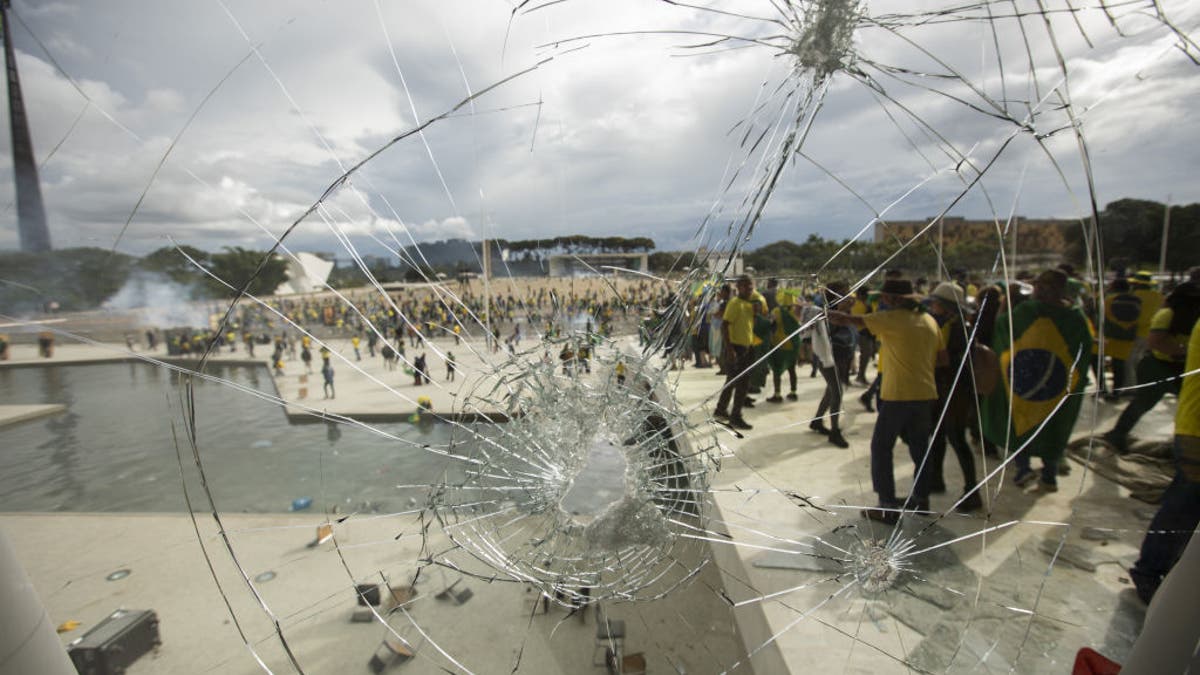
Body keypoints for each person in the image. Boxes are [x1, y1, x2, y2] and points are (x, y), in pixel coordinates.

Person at [830, 278, 940, 522]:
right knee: (920, 448)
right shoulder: (929, 320)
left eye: (884, 298)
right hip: (925, 394)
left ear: (894, 299)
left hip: (898, 395)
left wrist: (826, 313)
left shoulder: (892, 319)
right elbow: (941, 358)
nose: (881, 301)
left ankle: (887, 506)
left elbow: (849, 320)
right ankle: (921, 499)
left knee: (881, 447)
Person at [983, 269, 1092, 493]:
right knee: (1053, 426)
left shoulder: (1026, 312)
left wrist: (1007, 302)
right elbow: (1083, 352)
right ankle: (1049, 475)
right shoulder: (1075, 317)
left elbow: (1002, 327)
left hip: (1024, 383)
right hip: (1057, 387)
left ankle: (1023, 469)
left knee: (1021, 422)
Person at [1128, 316, 1200, 605]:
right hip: (1196, 430)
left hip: (1191, 426)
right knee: (1184, 506)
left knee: (1184, 503)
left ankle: (1161, 569)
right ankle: (1149, 570)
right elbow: (1158, 339)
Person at [1102, 281, 1200, 453]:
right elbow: (1155, 342)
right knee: (1143, 403)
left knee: (1188, 406)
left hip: (1180, 367)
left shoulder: (1193, 316)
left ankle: (1183, 444)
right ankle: (1117, 434)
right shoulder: (1168, 314)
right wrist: (1186, 352)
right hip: (1157, 367)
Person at [924, 282, 982, 511]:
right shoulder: (949, 324)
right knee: (938, 436)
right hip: (944, 389)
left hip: (955, 391)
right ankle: (936, 479)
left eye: (936, 303)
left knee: (957, 438)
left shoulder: (958, 328)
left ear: (946, 306)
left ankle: (972, 490)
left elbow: (953, 361)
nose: (932, 306)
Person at [805, 283, 851, 448]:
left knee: (831, 390)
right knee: (836, 393)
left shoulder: (842, 311)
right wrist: (843, 310)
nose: (848, 296)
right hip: (829, 358)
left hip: (841, 355)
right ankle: (834, 432)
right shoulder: (826, 312)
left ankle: (817, 422)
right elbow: (827, 333)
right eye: (844, 293)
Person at [714, 275, 758, 431]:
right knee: (741, 384)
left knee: (732, 381)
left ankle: (720, 410)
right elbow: (724, 326)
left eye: (751, 287)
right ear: (739, 287)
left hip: (746, 347)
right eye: (747, 287)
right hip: (736, 348)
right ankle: (736, 417)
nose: (750, 290)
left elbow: (746, 327)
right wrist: (730, 350)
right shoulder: (735, 303)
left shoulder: (748, 304)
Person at [766, 290, 800, 403]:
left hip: (780, 343)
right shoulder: (797, 311)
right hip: (794, 344)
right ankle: (793, 392)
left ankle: (777, 394)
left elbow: (770, 324)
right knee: (792, 369)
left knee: (776, 369)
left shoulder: (777, 311)